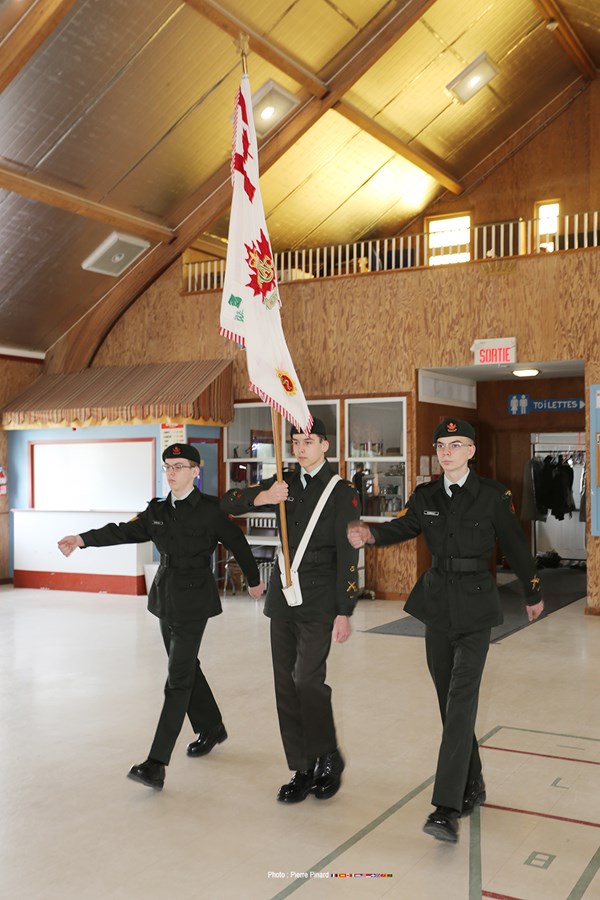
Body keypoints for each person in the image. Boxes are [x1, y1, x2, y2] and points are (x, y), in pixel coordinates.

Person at [347, 418, 544, 842]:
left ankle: (446, 808)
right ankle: (473, 783)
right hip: (437, 607)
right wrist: (371, 536)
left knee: (460, 702)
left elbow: (514, 544)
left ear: (471, 451)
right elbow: (404, 527)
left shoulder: (493, 495)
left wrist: (532, 592)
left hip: (476, 608)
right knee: (447, 704)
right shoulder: (427, 496)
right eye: (441, 445)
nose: (447, 452)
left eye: (456, 445)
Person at [58, 442, 264, 791]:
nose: (171, 472)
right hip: (165, 596)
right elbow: (122, 531)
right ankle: (211, 727)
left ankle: (156, 763)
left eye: (179, 466)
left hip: (194, 598)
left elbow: (237, 543)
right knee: (185, 666)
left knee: (178, 678)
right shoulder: (156, 510)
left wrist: (254, 580)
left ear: (195, 471)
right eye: (167, 466)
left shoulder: (211, 510)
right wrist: (82, 539)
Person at [221, 418, 359, 803]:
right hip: (283, 597)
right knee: (285, 685)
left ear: (325, 445)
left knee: (307, 681)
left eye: (308, 441)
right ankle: (302, 767)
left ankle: (328, 753)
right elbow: (228, 501)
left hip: (320, 598)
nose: (300, 448)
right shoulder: (282, 483)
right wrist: (264, 497)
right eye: (296, 441)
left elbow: (348, 554)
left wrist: (344, 609)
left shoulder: (341, 491)